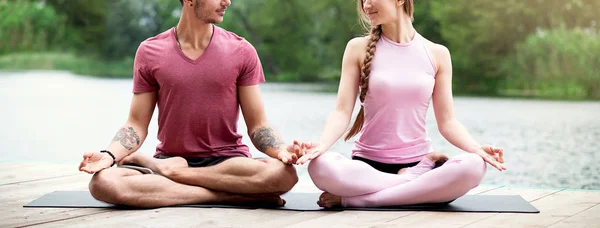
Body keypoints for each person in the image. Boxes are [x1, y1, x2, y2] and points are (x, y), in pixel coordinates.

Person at [78, 0, 300, 208]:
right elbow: (135, 124)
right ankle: (231, 195)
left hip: (228, 163)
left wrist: (281, 150)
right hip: (170, 158)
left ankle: (176, 177)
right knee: (103, 183)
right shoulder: (150, 51)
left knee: (284, 175)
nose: (227, 2)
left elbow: (258, 125)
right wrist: (108, 155)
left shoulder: (242, 50)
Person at [293, 0, 506, 208]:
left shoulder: (437, 53)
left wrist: (476, 148)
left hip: (419, 162)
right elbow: (341, 112)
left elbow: (448, 122)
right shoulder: (357, 48)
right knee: (320, 166)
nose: (366, 5)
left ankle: (363, 200)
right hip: (367, 169)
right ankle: (415, 187)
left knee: (475, 165)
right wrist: (321, 145)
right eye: (362, 0)